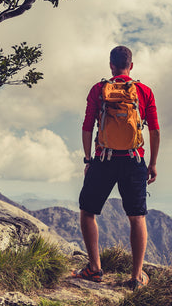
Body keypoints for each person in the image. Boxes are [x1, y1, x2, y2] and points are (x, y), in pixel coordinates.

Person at [72, 46, 160, 289]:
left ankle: (94, 269)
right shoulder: (144, 91)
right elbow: (154, 129)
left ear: (111, 65)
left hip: (104, 159)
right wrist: (151, 163)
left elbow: (87, 126)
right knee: (137, 217)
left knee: (88, 212)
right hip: (133, 160)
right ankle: (136, 277)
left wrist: (89, 159)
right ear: (131, 66)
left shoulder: (99, 90)